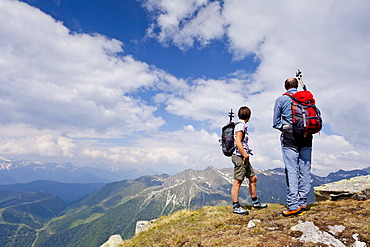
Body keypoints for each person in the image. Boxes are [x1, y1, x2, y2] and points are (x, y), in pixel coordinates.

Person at [273, 78, 313, 217]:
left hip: (289, 137)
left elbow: (276, 122)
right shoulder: (307, 98)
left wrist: (284, 128)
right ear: (297, 85)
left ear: (285, 86)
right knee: (305, 169)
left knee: (292, 170)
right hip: (307, 136)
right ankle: (303, 202)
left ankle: (293, 206)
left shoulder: (281, 100)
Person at [231, 106, 267, 215]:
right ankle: (236, 206)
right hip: (240, 156)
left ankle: (255, 202)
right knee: (238, 181)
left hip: (243, 156)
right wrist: (245, 155)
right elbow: (238, 142)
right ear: (249, 116)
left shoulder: (241, 125)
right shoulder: (241, 125)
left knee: (253, 177)